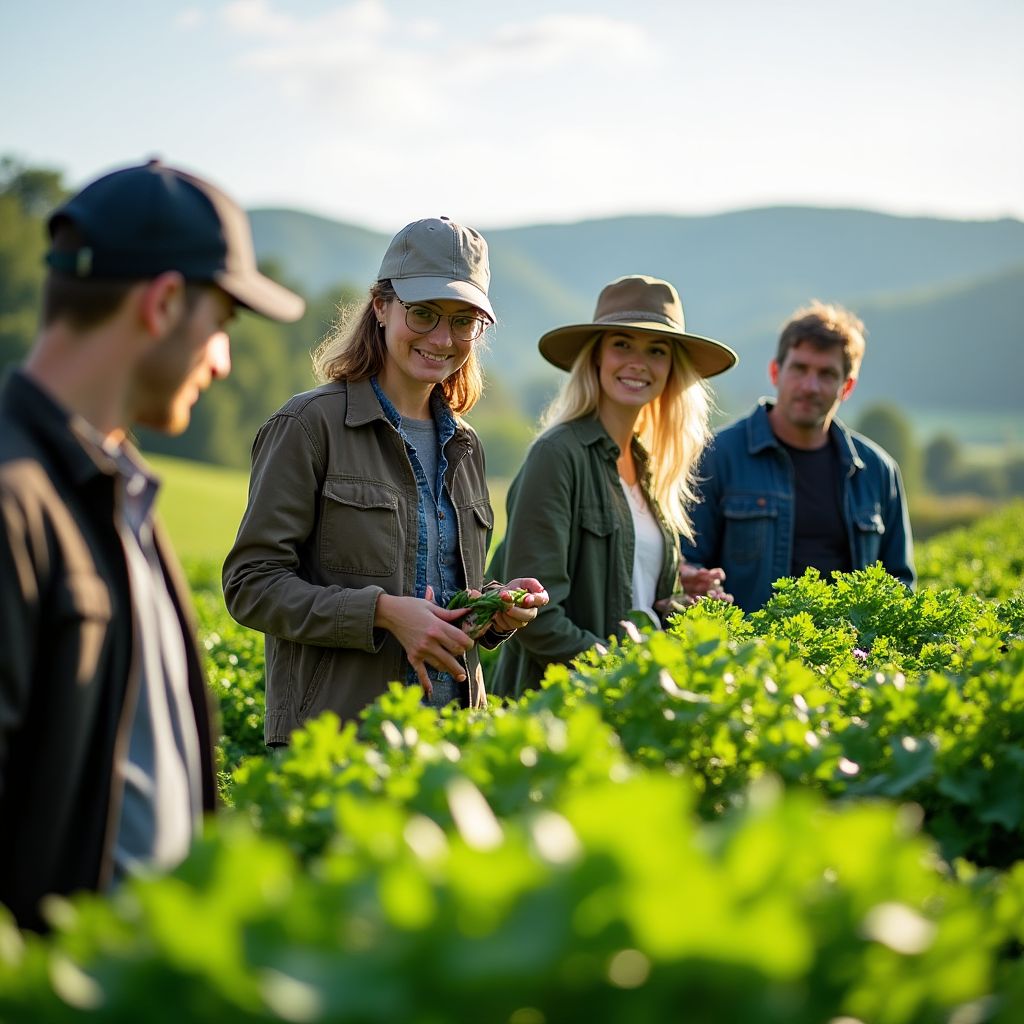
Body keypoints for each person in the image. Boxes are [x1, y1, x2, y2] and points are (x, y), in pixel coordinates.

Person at [0, 159, 305, 930]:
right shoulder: (12, 503)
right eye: (223, 325)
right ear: (164, 303)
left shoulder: (115, 492)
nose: (224, 360)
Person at [222, 217, 547, 743]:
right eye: (423, 314)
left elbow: (441, 594)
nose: (442, 339)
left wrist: (494, 611)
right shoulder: (308, 427)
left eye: (464, 322)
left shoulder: (467, 448)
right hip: (338, 742)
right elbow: (251, 586)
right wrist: (381, 613)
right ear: (381, 306)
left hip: (453, 741)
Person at [487, 275, 737, 699]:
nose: (638, 362)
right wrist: (623, 670)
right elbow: (537, 619)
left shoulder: (651, 468)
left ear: (672, 369)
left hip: (636, 705)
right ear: (597, 357)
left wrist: (675, 589)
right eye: (622, 344)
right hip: (562, 708)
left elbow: (630, 595)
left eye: (656, 350)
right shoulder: (558, 455)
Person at [682, 300, 916, 612]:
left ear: (846, 387)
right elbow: (687, 562)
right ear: (775, 372)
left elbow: (899, 581)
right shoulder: (715, 456)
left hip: (851, 657)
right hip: (749, 654)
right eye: (800, 369)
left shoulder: (877, 471)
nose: (810, 386)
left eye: (826, 374)